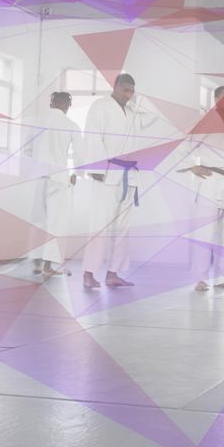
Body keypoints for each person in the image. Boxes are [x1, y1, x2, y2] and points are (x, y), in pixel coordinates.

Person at [82, 73, 157, 288]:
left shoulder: (134, 111)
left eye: (131, 91)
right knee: (99, 226)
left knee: (123, 228)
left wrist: (137, 98)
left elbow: (153, 116)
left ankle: (113, 273)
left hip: (130, 174)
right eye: (125, 90)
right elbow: (92, 135)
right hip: (107, 173)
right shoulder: (100, 106)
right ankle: (88, 273)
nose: (128, 95)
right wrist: (95, 167)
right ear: (114, 87)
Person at [183, 86, 224, 291]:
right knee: (204, 231)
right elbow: (186, 145)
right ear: (216, 98)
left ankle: (221, 275)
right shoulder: (206, 120)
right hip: (210, 180)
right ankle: (199, 278)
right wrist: (192, 165)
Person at [27, 92, 87, 278]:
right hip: (58, 178)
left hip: (38, 177)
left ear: (52, 103)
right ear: (67, 105)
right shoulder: (71, 125)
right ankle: (48, 266)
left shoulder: (37, 123)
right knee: (56, 223)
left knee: (38, 220)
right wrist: (77, 173)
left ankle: (36, 264)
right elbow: (79, 154)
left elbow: (28, 150)